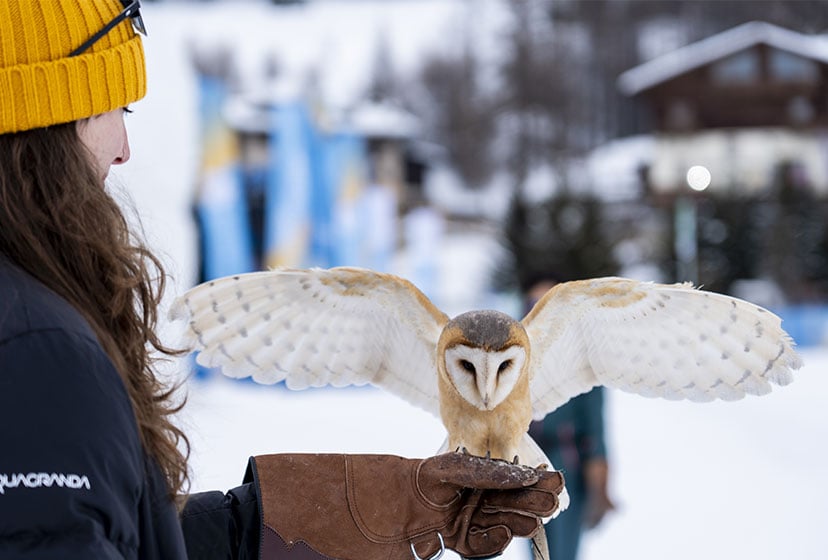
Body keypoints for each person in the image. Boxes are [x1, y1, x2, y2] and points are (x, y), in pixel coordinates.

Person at [0, 1, 563, 559]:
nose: (124, 149)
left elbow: (121, 538)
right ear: (50, 113)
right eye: (118, 109)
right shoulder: (40, 350)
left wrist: (384, 508)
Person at [523, 279, 616, 560]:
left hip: (568, 465)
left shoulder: (582, 357)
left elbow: (596, 426)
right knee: (536, 548)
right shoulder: (518, 356)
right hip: (528, 467)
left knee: (563, 552)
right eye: (532, 306)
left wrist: (599, 478)